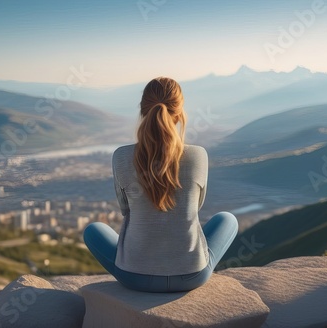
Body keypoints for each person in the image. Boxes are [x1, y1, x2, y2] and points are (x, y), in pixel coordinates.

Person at [83, 77, 238, 293]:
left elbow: (125, 209)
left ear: (142, 109)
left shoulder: (122, 156)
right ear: (180, 112)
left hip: (134, 277)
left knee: (93, 230)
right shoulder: (198, 155)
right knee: (227, 220)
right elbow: (195, 207)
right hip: (191, 276)